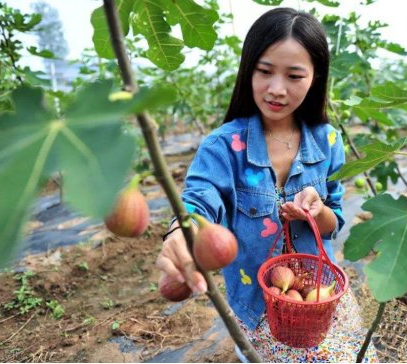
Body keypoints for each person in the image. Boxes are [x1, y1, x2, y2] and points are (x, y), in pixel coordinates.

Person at [156, 7, 378, 363]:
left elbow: (334, 220)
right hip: (259, 311)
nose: (277, 89)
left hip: (318, 298)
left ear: (315, 78)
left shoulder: (328, 142)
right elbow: (200, 200)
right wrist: (181, 233)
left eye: (294, 76)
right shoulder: (223, 147)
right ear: (248, 71)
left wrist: (317, 212)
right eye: (264, 71)